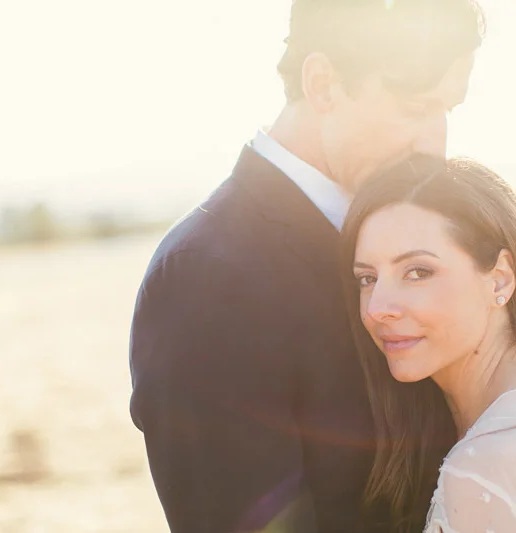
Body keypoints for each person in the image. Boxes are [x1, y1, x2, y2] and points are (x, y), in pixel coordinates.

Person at [128, 1, 485, 532]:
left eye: (447, 111)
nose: (434, 146)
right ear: (322, 84)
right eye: (413, 108)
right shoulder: (207, 277)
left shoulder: (421, 233)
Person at [340, 157, 516, 532]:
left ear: (500, 280)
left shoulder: (483, 466)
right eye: (367, 278)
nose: (377, 309)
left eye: (417, 272)